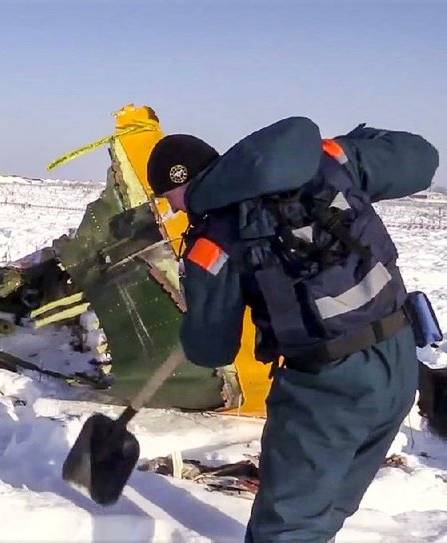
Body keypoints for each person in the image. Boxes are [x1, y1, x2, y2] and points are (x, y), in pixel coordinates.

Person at [146, 118, 439, 542]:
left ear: (183, 182)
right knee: (327, 508)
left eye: (168, 197)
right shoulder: (326, 161)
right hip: (397, 364)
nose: (173, 209)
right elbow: (422, 159)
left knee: (288, 528)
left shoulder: (213, 241)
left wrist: (202, 302)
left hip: (326, 390)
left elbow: (211, 349)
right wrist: (358, 142)